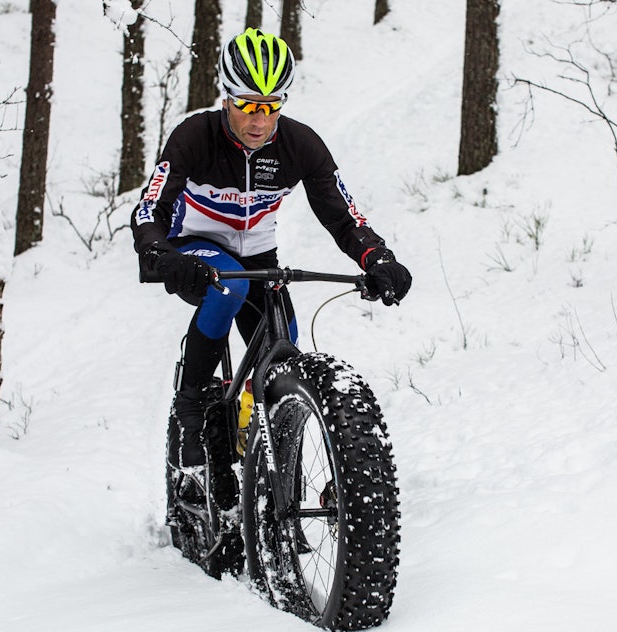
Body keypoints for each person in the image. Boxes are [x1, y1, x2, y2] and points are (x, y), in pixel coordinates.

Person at [133, 27, 411, 473]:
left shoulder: (300, 145)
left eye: (271, 106)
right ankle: (191, 407)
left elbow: (343, 216)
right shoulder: (194, 136)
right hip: (194, 247)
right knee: (228, 288)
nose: (259, 121)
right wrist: (158, 254)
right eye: (247, 105)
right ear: (226, 97)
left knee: (285, 350)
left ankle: (261, 442)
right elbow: (151, 207)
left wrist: (378, 258)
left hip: (259, 255)